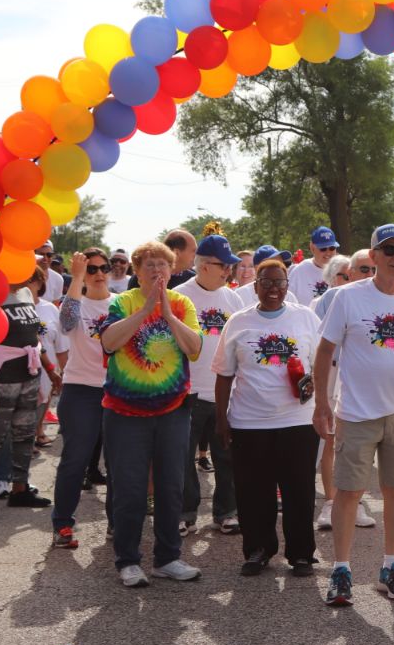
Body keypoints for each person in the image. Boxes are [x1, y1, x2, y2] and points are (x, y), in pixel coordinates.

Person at [312, 224, 394, 606]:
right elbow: (323, 352)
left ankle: (391, 566)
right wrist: (321, 403)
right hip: (356, 412)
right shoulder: (348, 298)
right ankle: (341, 570)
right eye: (389, 250)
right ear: (374, 255)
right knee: (348, 493)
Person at [100, 240, 204, 588]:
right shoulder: (122, 302)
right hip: (125, 413)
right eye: (149, 265)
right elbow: (109, 343)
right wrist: (145, 311)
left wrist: (168, 313)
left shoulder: (183, 303)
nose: (157, 271)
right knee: (129, 489)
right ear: (136, 271)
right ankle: (128, 560)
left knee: (171, 485)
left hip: (172, 410)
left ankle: (168, 558)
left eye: (163, 265)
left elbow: (194, 350)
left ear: (173, 271)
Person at [214, 259, 324, 576]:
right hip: (250, 422)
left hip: (297, 421)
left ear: (288, 285)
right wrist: (222, 420)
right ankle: (258, 550)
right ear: (255, 285)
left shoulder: (305, 318)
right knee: (252, 491)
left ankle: (301, 554)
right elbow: (223, 376)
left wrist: (317, 396)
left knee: (299, 490)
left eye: (280, 282)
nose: (273, 289)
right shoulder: (237, 321)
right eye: (267, 282)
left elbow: (321, 365)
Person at [0, 266, 56, 517]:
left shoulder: (26, 294)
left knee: (25, 434)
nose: (29, 277)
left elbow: (34, 339)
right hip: (0, 377)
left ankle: (20, 489)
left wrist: (49, 369)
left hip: (28, 375)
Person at [173, 235, 245, 537]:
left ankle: (226, 512)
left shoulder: (234, 299)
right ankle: (185, 513)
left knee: (226, 455)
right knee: (182, 457)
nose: (228, 271)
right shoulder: (177, 297)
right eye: (222, 265)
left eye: (230, 266)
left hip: (223, 392)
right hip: (186, 391)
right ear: (203, 266)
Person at [50, 248, 116, 549]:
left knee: (118, 462)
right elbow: (65, 323)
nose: (100, 273)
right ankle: (62, 524)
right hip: (80, 391)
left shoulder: (121, 304)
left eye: (105, 267)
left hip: (118, 390)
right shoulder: (76, 302)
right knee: (75, 460)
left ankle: (118, 523)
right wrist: (76, 278)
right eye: (92, 269)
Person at [313, 249, 378, 530]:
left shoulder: (383, 297)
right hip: (334, 371)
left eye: (373, 269)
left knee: (361, 440)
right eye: (363, 269)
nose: (370, 275)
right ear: (349, 273)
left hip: (364, 377)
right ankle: (330, 501)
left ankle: (357, 500)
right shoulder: (330, 298)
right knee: (331, 437)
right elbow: (318, 344)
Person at [127, 229, 197, 290]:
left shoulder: (193, 279)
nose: (196, 255)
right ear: (176, 253)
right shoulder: (142, 278)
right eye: (193, 251)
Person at [236, 245, 301, 308]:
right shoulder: (240, 295)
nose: (278, 267)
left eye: (280, 263)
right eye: (272, 264)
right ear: (256, 268)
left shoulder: (290, 297)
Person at [289, 225, 340, 302]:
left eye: (332, 248)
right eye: (323, 249)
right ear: (312, 248)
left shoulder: (342, 269)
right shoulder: (299, 272)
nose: (328, 252)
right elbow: (288, 301)